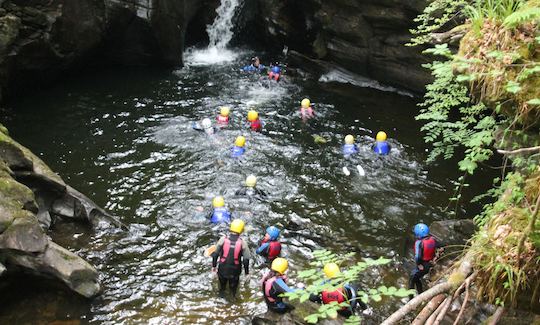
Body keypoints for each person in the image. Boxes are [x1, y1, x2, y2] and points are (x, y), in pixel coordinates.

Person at [211, 219, 251, 297]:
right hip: (235, 272)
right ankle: (233, 300)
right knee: (233, 291)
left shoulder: (223, 239)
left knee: (222, 288)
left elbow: (215, 254)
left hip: (222, 270)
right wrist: (247, 273)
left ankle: (221, 299)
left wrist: (214, 267)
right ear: (241, 230)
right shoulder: (243, 243)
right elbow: (246, 260)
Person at [409, 223, 440, 297]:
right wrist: (436, 256)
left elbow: (418, 257)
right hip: (430, 263)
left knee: (412, 279)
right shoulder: (433, 239)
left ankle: (411, 299)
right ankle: (420, 293)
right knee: (416, 278)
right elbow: (441, 246)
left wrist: (419, 264)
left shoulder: (419, 243)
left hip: (423, 265)